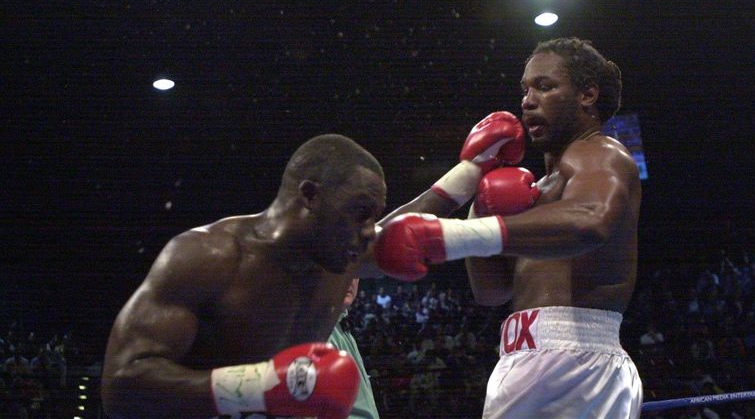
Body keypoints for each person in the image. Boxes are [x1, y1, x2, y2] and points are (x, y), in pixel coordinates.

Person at [101, 124, 524, 418]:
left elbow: (402, 229)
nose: (366, 233)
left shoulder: (337, 254)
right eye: (359, 214)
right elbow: (122, 384)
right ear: (309, 196)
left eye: (371, 217)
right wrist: (263, 384)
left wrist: (470, 172)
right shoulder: (208, 257)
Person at [375, 37, 643, 418]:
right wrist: (479, 202)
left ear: (587, 95)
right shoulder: (535, 191)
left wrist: (449, 236)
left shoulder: (601, 152)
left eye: (545, 87)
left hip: (576, 359)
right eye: (526, 89)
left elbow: (590, 220)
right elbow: (492, 290)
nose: (527, 101)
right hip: (523, 355)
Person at [328, 278, 379, 419]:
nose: (349, 280)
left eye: (355, 273)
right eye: (345, 272)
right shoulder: (318, 332)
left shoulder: (341, 325)